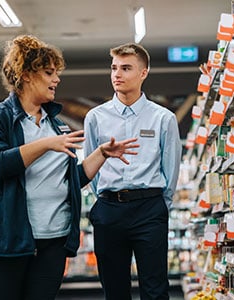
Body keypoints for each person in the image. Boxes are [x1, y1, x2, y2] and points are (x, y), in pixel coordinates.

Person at [0, 35, 139, 300]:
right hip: (9, 242)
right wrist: (46, 145)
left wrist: (101, 155)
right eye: (49, 73)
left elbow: (69, 179)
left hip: (54, 241)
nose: (56, 80)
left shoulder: (53, 123)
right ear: (26, 75)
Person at [84, 43, 182, 300]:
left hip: (149, 209)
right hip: (109, 209)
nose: (117, 74)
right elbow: (90, 167)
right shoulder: (95, 117)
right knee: (114, 290)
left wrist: (160, 205)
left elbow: (171, 169)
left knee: (155, 289)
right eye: (114, 68)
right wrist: (105, 199)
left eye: (126, 68)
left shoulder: (163, 118)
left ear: (143, 73)